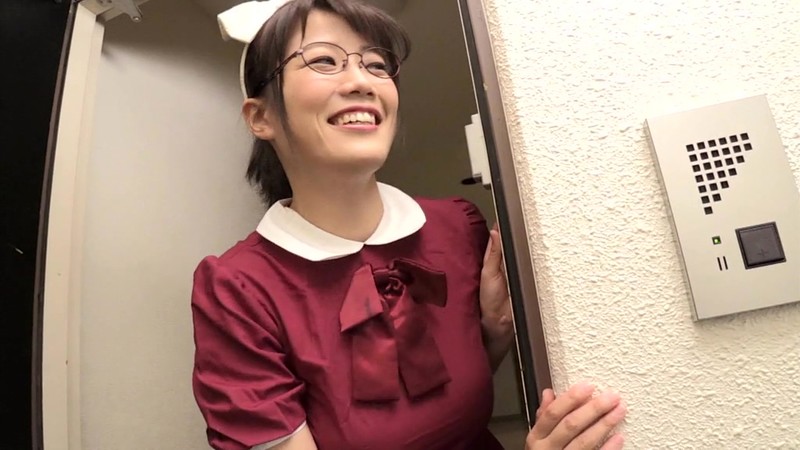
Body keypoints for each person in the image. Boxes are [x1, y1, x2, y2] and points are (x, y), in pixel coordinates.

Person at [190, 0, 627, 449]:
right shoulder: (238, 291)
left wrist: (495, 330)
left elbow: (458, 400)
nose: (362, 81)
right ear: (261, 117)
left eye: (377, 64)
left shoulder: (459, 228)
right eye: (324, 60)